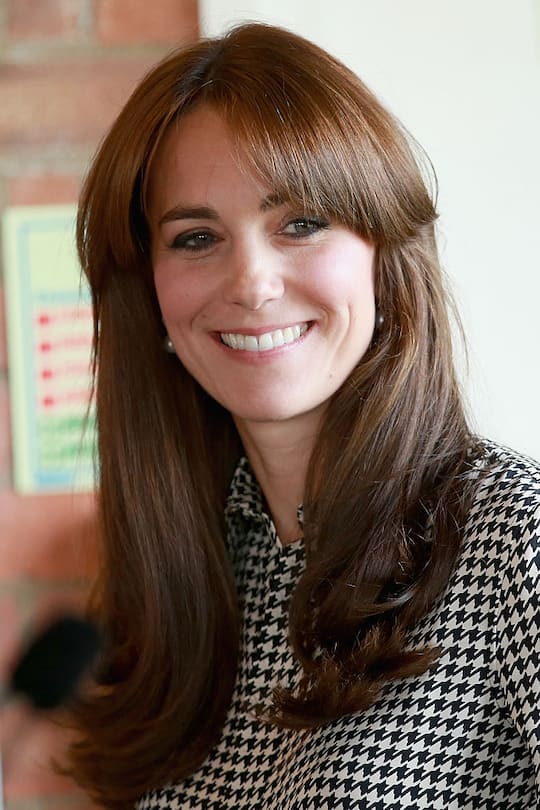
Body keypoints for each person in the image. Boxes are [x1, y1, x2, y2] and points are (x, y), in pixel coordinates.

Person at [67, 22, 539, 809]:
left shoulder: (512, 537)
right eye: (195, 237)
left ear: (383, 252)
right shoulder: (186, 575)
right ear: (147, 293)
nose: (252, 282)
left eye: (301, 223)